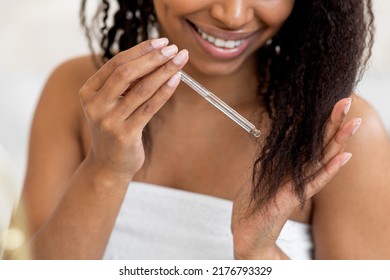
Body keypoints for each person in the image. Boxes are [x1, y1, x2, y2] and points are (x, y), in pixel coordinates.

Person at [10, 0, 390, 260]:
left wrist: (258, 254)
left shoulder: (337, 132)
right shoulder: (79, 92)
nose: (233, 15)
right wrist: (105, 168)